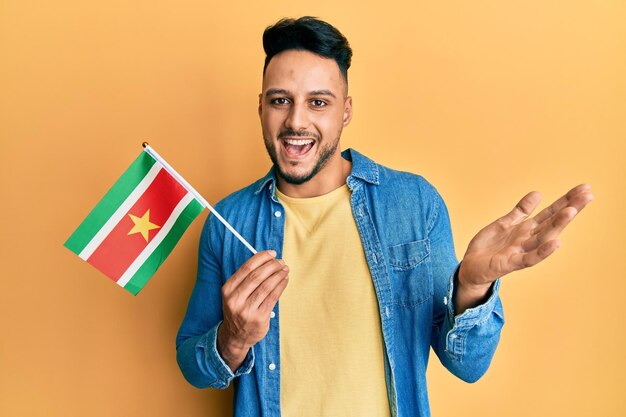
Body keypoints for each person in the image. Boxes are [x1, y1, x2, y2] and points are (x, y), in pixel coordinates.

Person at [175, 16, 593, 417]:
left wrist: (472, 287)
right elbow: (192, 365)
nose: (296, 121)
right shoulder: (227, 221)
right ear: (261, 107)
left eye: (318, 102)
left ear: (346, 111)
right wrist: (232, 340)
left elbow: (468, 365)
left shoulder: (413, 203)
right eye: (280, 100)